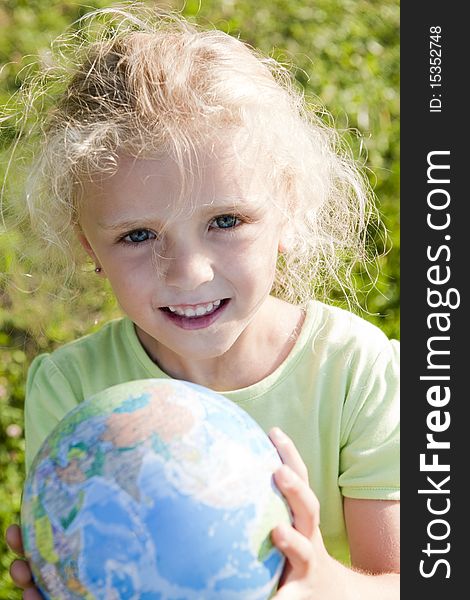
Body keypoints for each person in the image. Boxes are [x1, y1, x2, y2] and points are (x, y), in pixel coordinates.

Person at [5, 4, 399, 598]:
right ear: (90, 245)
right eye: (137, 236)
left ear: (288, 210)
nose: (189, 273)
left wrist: (322, 581)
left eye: (226, 220)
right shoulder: (70, 388)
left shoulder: (354, 372)